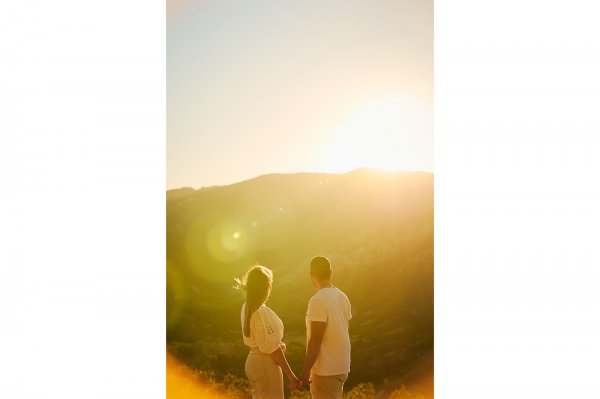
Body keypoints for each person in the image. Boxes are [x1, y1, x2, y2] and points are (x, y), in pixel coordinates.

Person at [292, 256, 352, 399]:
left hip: (326, 370)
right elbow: (344, 329)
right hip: (342, 367)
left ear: (312, 276)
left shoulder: (317, 300)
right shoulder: (342, 296)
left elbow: (316, 339)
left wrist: (306, 371)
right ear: (330, 273)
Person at [236, 265, 299, 399]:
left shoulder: (246, 307)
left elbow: (264, 342)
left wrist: (275, 344)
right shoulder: (261, 311)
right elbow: (272, 348)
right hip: (265, 364)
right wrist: (290, 374)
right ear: (266, 288)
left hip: (253, 361)